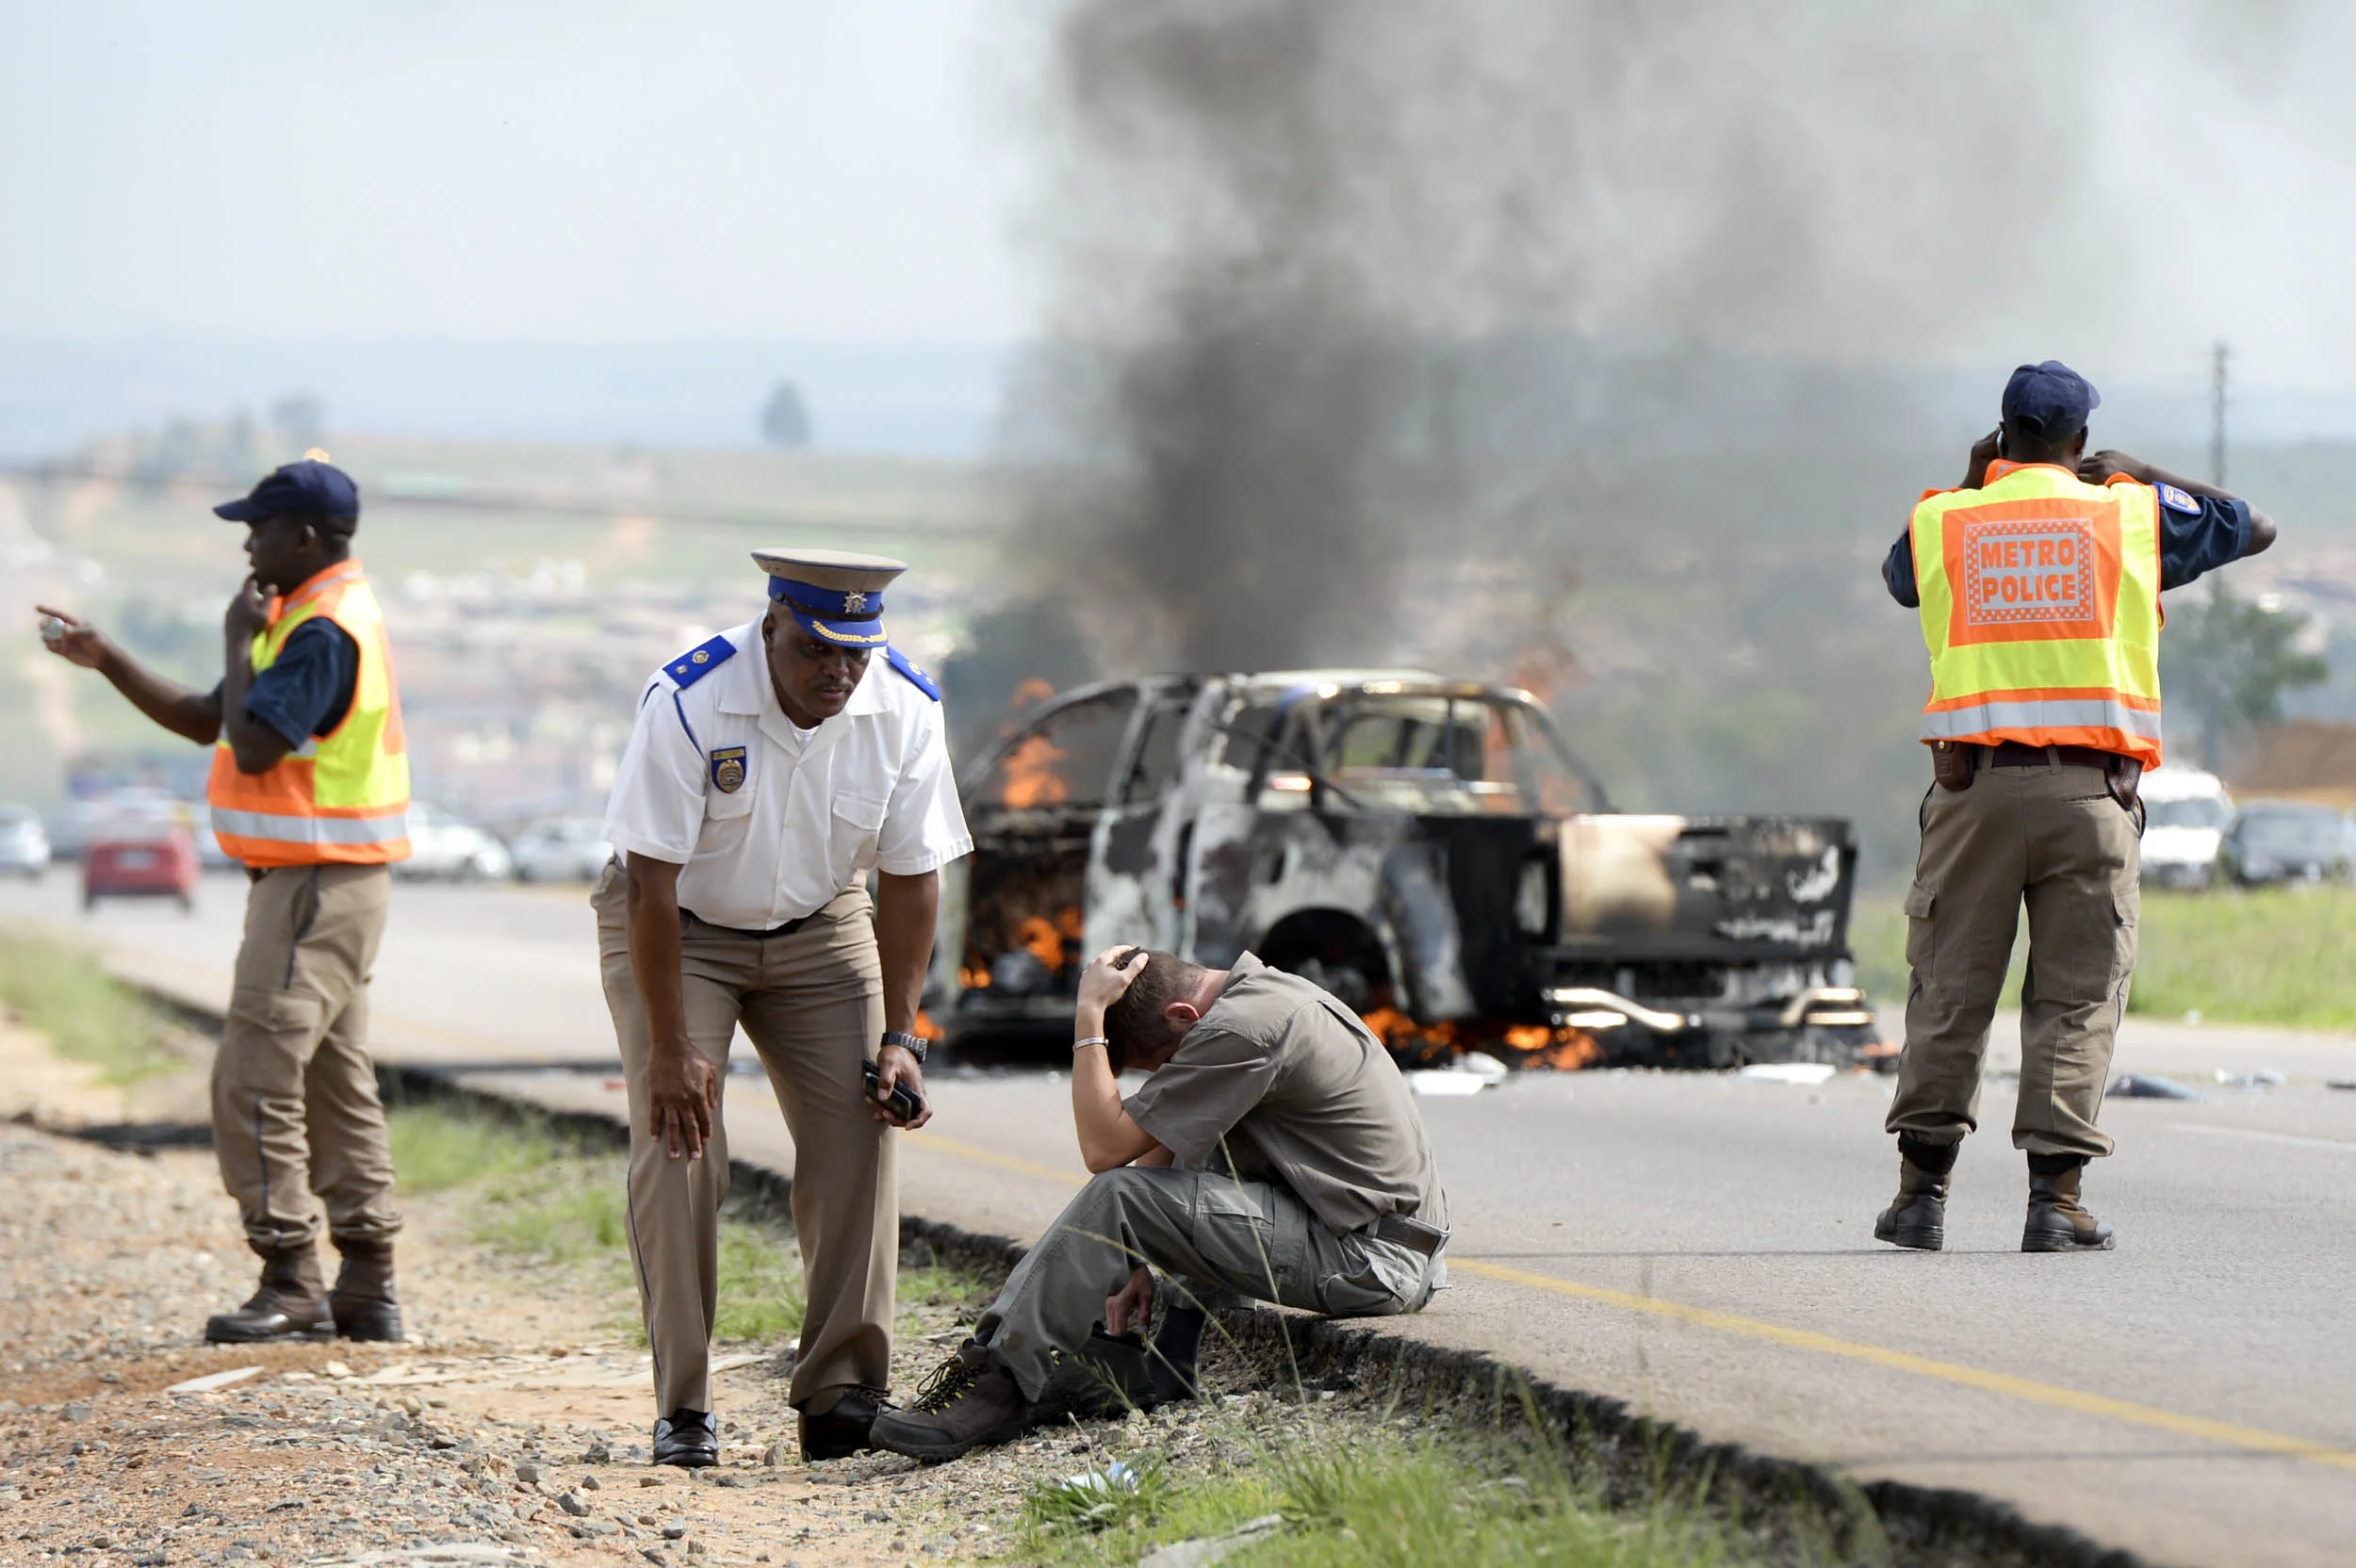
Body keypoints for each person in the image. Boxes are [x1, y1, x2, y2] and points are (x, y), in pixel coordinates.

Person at [1874, 361, 2275, 1253]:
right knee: (2076, 1000)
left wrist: (1973, 477)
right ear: (2083, 443)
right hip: (2093, 796)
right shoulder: (2128, 512)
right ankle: (2055, 1206)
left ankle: (1918, 1200)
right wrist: (2152, 473)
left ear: (2001, 435)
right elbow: (2258, 526)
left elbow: (1902, 580)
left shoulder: (1944, 518)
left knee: (1950, 990)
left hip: (1971, 794)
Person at [596, 547, 971, 1468]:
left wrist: (901, 1035)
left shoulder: (905, 707)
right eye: (814, 649)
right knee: (684, 1137)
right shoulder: (688, 699)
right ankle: (684, 1404)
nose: (836, 672)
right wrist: (672, 1047)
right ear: (770, 625)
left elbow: (914, 876)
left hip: (823, 918)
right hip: (678, 925)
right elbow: (649, 883)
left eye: (854, 652)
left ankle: (840, 1394)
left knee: (862, 1127)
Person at [37, 456, 413, 1342]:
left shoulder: (319, 631)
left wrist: (235, 639)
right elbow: (217, 719)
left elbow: (249, 749)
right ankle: (368, 1285)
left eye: (258, 528)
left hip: (314, 887)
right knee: (333, 1081)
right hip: (336, 883)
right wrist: (108, 661)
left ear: (304, 538)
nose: (247, 543)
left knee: (251, 1076)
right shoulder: (310, 619)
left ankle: (290, 1277)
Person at [870, 945, 1450, 1462]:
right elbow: (1167, 1135)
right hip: (1369, 1238)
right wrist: (1137, 1256)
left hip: (1370, 1259)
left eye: (1157, 1067)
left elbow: (1105, 1152)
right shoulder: (1261, 998)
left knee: (1117, 1195)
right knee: (1185, 1154)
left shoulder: (1248, 1028)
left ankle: (999, 1382)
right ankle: (1153, 1366)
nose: (1161, 1080)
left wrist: (1089, 1019)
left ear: (1182, 1017)